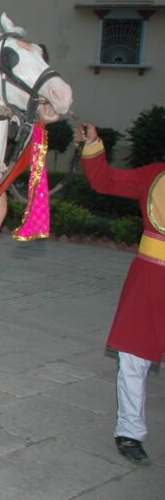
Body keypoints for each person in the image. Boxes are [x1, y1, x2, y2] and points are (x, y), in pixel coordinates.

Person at [76, 122, 164, 466]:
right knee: (134, 359)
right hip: (149, 278)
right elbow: (105, 180)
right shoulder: (155, 174)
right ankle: (130, 431)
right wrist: (94, 144)